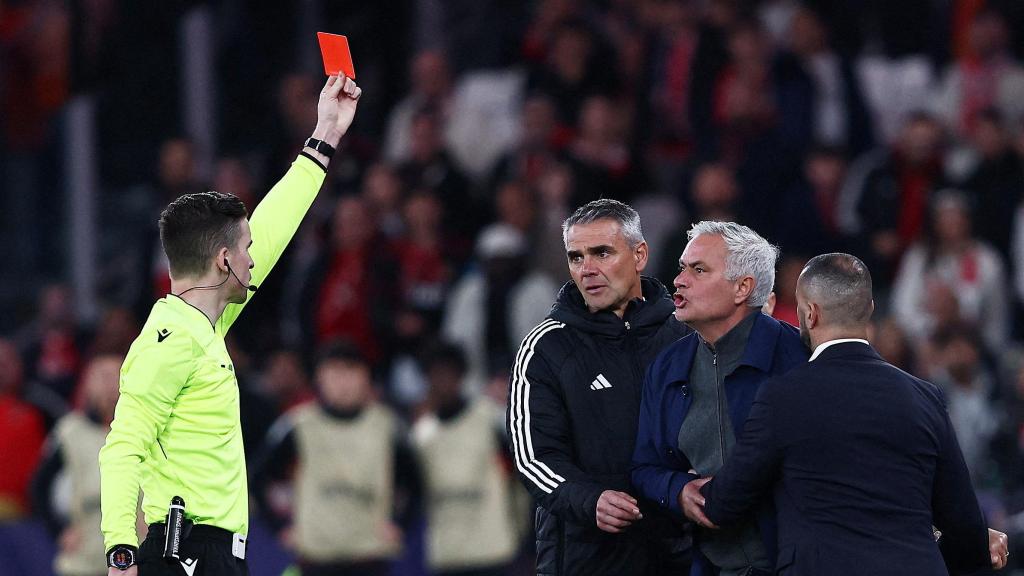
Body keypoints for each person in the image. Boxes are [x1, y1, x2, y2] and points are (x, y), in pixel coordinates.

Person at [98, 74, 362, 576]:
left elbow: (274, 225)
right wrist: (120, 551)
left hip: (210, 553)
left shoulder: (204, 325)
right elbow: (122, 446)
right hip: (185, 553)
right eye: (244, 250)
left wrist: (325, 133)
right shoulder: (172, 341)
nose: (253, 256)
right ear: (224, 261)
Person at [693, 253, 1009, 575]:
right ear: (870, 308)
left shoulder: (782, 397)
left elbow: (724, 504)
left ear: (810, 314)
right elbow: (965, 526)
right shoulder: (924, 397)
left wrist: (679, 485)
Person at [507, 199, 691, 576]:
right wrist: (590, 501)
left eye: (602, 253)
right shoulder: (545, 347)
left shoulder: (685, 334)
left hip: (679, 553)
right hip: (586, 558)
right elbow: (533, 457)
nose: (587, 269)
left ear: (640, 255)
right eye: (576, 257)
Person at [631, 221, 808, 576]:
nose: (679, 280)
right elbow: (644, 467)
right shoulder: (666, 366)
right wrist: (678, 490)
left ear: (743, 287)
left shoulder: (800, 357)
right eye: (682, 267)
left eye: (698, 270)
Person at [250, 342, 417, 576]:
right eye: (334, 372)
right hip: (316, 558)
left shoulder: (387, 426)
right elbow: (258, 478)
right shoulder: (298, 425)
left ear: (366, 378)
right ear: (320, 377)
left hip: (369, 557)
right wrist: (279, 528)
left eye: (350, 371)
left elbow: (415, 482)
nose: (342, 382)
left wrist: (401, 525)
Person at [411, 343, 518, 576]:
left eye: (448, 373)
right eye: (435, 375)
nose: (442, 382)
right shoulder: (422, 433)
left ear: (461, 376)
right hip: (447, 555)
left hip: (494, 552)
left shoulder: (490, 419)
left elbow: (520, 473)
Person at [32, 355, 136, 576]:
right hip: (87, 540)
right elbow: (39, 486)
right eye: (104, 377)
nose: (112, 384)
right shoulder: (70, 431)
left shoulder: (141, 429)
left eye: (118, 375)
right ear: (89, 384)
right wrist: (59, 531)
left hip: (136, 541)